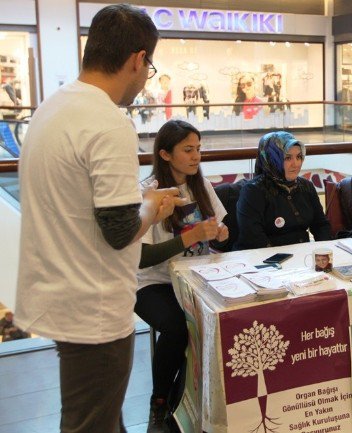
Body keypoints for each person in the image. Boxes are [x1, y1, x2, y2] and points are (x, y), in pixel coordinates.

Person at [14, 4, 184, 433]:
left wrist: (138, 199)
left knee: (100, 416)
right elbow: (120, 230)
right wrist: (153, 206)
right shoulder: (108, 123)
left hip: (62, 293)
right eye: (149, 66)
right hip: (94, 307)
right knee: (90, 423)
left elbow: (82, 202)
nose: (146, 78)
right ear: (138, 59)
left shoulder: (53, 108)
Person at [137, 120, 228, 432]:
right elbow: (140, 258)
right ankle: (160, 400)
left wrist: (219, 233)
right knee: (178, 326)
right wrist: (190, 238)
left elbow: (219, 235)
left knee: (223, 317)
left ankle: (196, 395)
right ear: (165, 154)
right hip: (154, 284)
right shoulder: (148, 194)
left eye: (198, 149)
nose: (195, 156)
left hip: (197, 278)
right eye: (188, 150)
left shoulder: (201, 186)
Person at [234, 131, 331, 250]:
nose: (295, 164)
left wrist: (325, 251)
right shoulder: (253, 191)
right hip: (264, 261)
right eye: (288, 158)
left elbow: (321, 225)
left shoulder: (306, 186)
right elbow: (254, 239)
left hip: (300, 258)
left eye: (299, 157)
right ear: (272, 159)